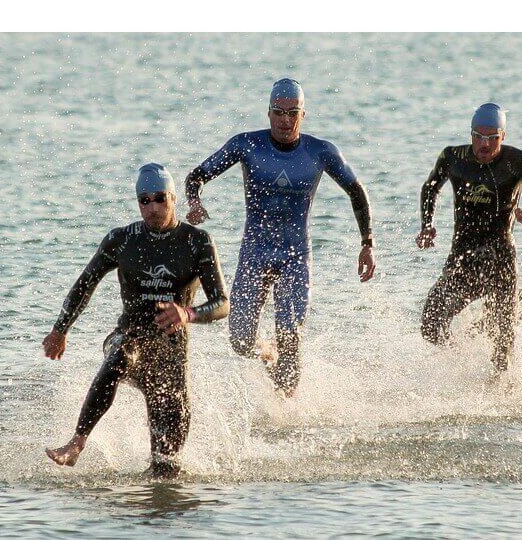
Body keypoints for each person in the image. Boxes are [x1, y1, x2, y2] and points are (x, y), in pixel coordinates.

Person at [184, 78, 375, 397]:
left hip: (295, 256)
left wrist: (367, 243)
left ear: (304, 114)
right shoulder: (246, 145)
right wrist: (194, 201)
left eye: (293, 113)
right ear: (268, 113)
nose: (285, 120)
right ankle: (266, 354)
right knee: (240, 341)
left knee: (290, 335)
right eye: (278, 112)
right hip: (255, 254)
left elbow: (357, 191)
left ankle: (287, 406)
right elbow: (197, 176)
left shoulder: (321, 151)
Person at [43, 163, 230, 478]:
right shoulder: (122, 239)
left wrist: (189, 313)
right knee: (122, 354)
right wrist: (60, 330)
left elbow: (223, 303)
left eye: (160, 198)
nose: (152, 208)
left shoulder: (197, 241)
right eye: (144, 200)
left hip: (172, 355)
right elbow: (84, 284)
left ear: (173, 198)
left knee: (166, 471)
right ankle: (77, 443)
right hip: (128, 336)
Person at [416, 102, 522, 373]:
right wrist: (427, 224)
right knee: (431, 320)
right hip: (463, 257)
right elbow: (430, 188)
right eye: (479, 136)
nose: (484, 145)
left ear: (503, 136)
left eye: (492, 138)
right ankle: (463, 365)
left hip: (500, 259)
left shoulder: (518, 161)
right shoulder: (453, 158)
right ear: (471, 134)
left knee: (502, 349)